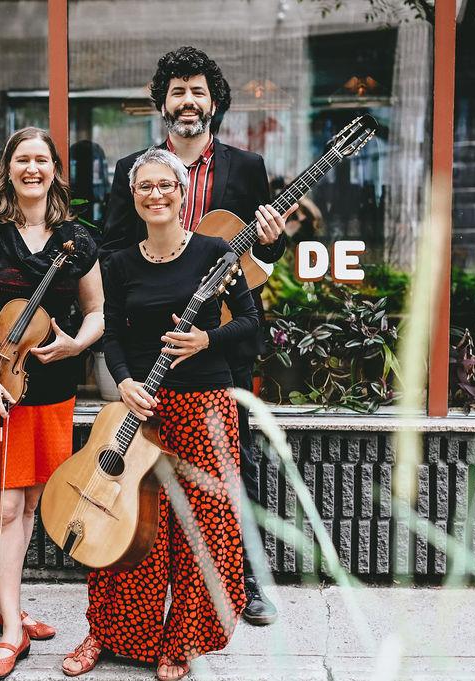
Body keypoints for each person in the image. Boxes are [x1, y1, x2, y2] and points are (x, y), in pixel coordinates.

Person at [100, 46, 289, 626]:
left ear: (214, 103)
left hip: (220, 340)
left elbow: (259, 258)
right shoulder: (133, 169)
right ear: (162, 103)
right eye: (177, 91)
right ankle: (144, 585)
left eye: (198, 91)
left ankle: (247, 582)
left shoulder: (246, 167)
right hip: (152, 345)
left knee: (238, 465)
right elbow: (110, 246)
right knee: (151, 467)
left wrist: (274, 238)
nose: (188, 101)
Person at [62, 148, 256, 681]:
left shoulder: (217, 253)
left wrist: (205, 339)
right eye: (144, 186)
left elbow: (250, 322)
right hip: (142, 406)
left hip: (204, 404)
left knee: (203, 527)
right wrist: (123, 383)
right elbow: (115, 335)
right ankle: (108, 630)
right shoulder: (119, 261)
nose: (156, 194)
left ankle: (181, 641)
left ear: (181, 191)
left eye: (164, 185)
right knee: (126, 524)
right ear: (134, 196)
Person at [0, 127, 104, 680]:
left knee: (32, 504)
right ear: (9, 169)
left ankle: (2, 601)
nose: (32, 168)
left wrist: (77, 343)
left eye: (42, 159)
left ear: (54, 170)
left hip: (50, 390)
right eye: (23, 159)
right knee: (6, 508)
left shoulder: (78, 240)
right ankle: (12, 632)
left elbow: (97, 313)